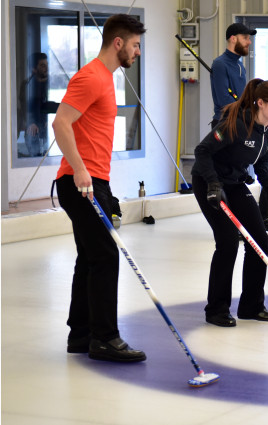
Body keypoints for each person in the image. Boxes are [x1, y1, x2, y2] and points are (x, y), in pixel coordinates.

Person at [52, 14, 147, 362]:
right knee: (105, 257)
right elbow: (60, 122)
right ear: (118, 43)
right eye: (135, 45)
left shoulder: (107, 78)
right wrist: (79, 170)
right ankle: (105, 337)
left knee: (90, 259)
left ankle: (81, 335)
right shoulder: (91, 76)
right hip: (82, 182)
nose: (138, 52)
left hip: (94, 180)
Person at [191, 78, 268, 327]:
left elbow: (263, 159)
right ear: (260, 103)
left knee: (259, 240)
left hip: (234, 183)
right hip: (208, 181)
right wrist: (213, 183)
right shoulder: (236, 123)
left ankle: (251, 306)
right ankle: (216, 309)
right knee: (227, 243)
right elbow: (202, 151)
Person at [210, 23, 256, 128]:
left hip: (239, 121)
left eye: (249, 38)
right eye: (245, 38)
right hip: (224, 123)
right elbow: (224, 99)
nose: (249, 42)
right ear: (233, 39)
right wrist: (245, 109)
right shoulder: (220, 64)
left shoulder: (239, 64)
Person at [20, 53, 58, 156]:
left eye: (47, 64)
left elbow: (44, 105)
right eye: (42, 65)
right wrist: (31, 122)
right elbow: (25, 105)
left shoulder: (45, 84)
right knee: (36, 159)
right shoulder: (28, 85)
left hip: (44, 129)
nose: (47, 68)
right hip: (33, 130)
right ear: (34, 69)